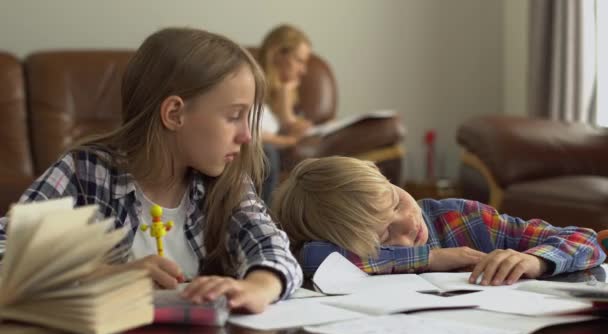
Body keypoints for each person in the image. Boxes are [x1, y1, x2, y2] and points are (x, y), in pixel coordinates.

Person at [0, 27, 302, 314]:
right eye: (234, 115)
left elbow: (272, 247)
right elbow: (6, 250)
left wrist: (257, 287)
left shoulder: (228, 181)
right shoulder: (84, 172)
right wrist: (105, 275)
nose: (247, 136)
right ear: (174, 114)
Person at [272, 156, 606, 286]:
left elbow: (587, 240)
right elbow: (310, 258)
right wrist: (430, 258)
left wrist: (535, 262)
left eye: (395, 200)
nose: (407, 221)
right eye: (387, 232)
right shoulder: (333, 256)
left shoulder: (461, 219)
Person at [257, 24, 314, 203]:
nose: (303, 70)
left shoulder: (284, 92)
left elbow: (288, 126)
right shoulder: (252, 84)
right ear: (277, 54)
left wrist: (284, 98)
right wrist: (288, 140)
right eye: (299, 60)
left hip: (271, 149)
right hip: (260, 150)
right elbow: (251, 131)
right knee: (268, 153)